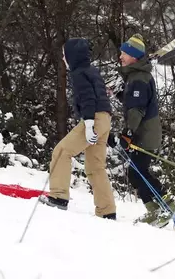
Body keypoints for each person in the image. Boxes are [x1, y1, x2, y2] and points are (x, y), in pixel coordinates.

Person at [109, 33, 175, 227]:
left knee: (139, 171)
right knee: (135, 172)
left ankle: (170, 205)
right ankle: (154, 210)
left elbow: (137, 110)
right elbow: (134, 103)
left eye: (124, 53)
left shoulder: (139, 79)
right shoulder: (135, 77)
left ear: (133, 56)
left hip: (145, 135)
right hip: (142, 133)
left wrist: (128, 133)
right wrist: (118, 94)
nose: (120, 57)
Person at [38, 38, 116, 220]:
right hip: (104, 118)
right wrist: (106, 130)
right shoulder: (93, 71)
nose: (63, 59)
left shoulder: (79, 73)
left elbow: (89, 98)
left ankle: (58, 197)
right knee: (96, 167)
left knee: (62, 151)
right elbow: (101, 98)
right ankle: (107, 211)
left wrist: (89, 124)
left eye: (65, 55)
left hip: (94, 118)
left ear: (72, 56)